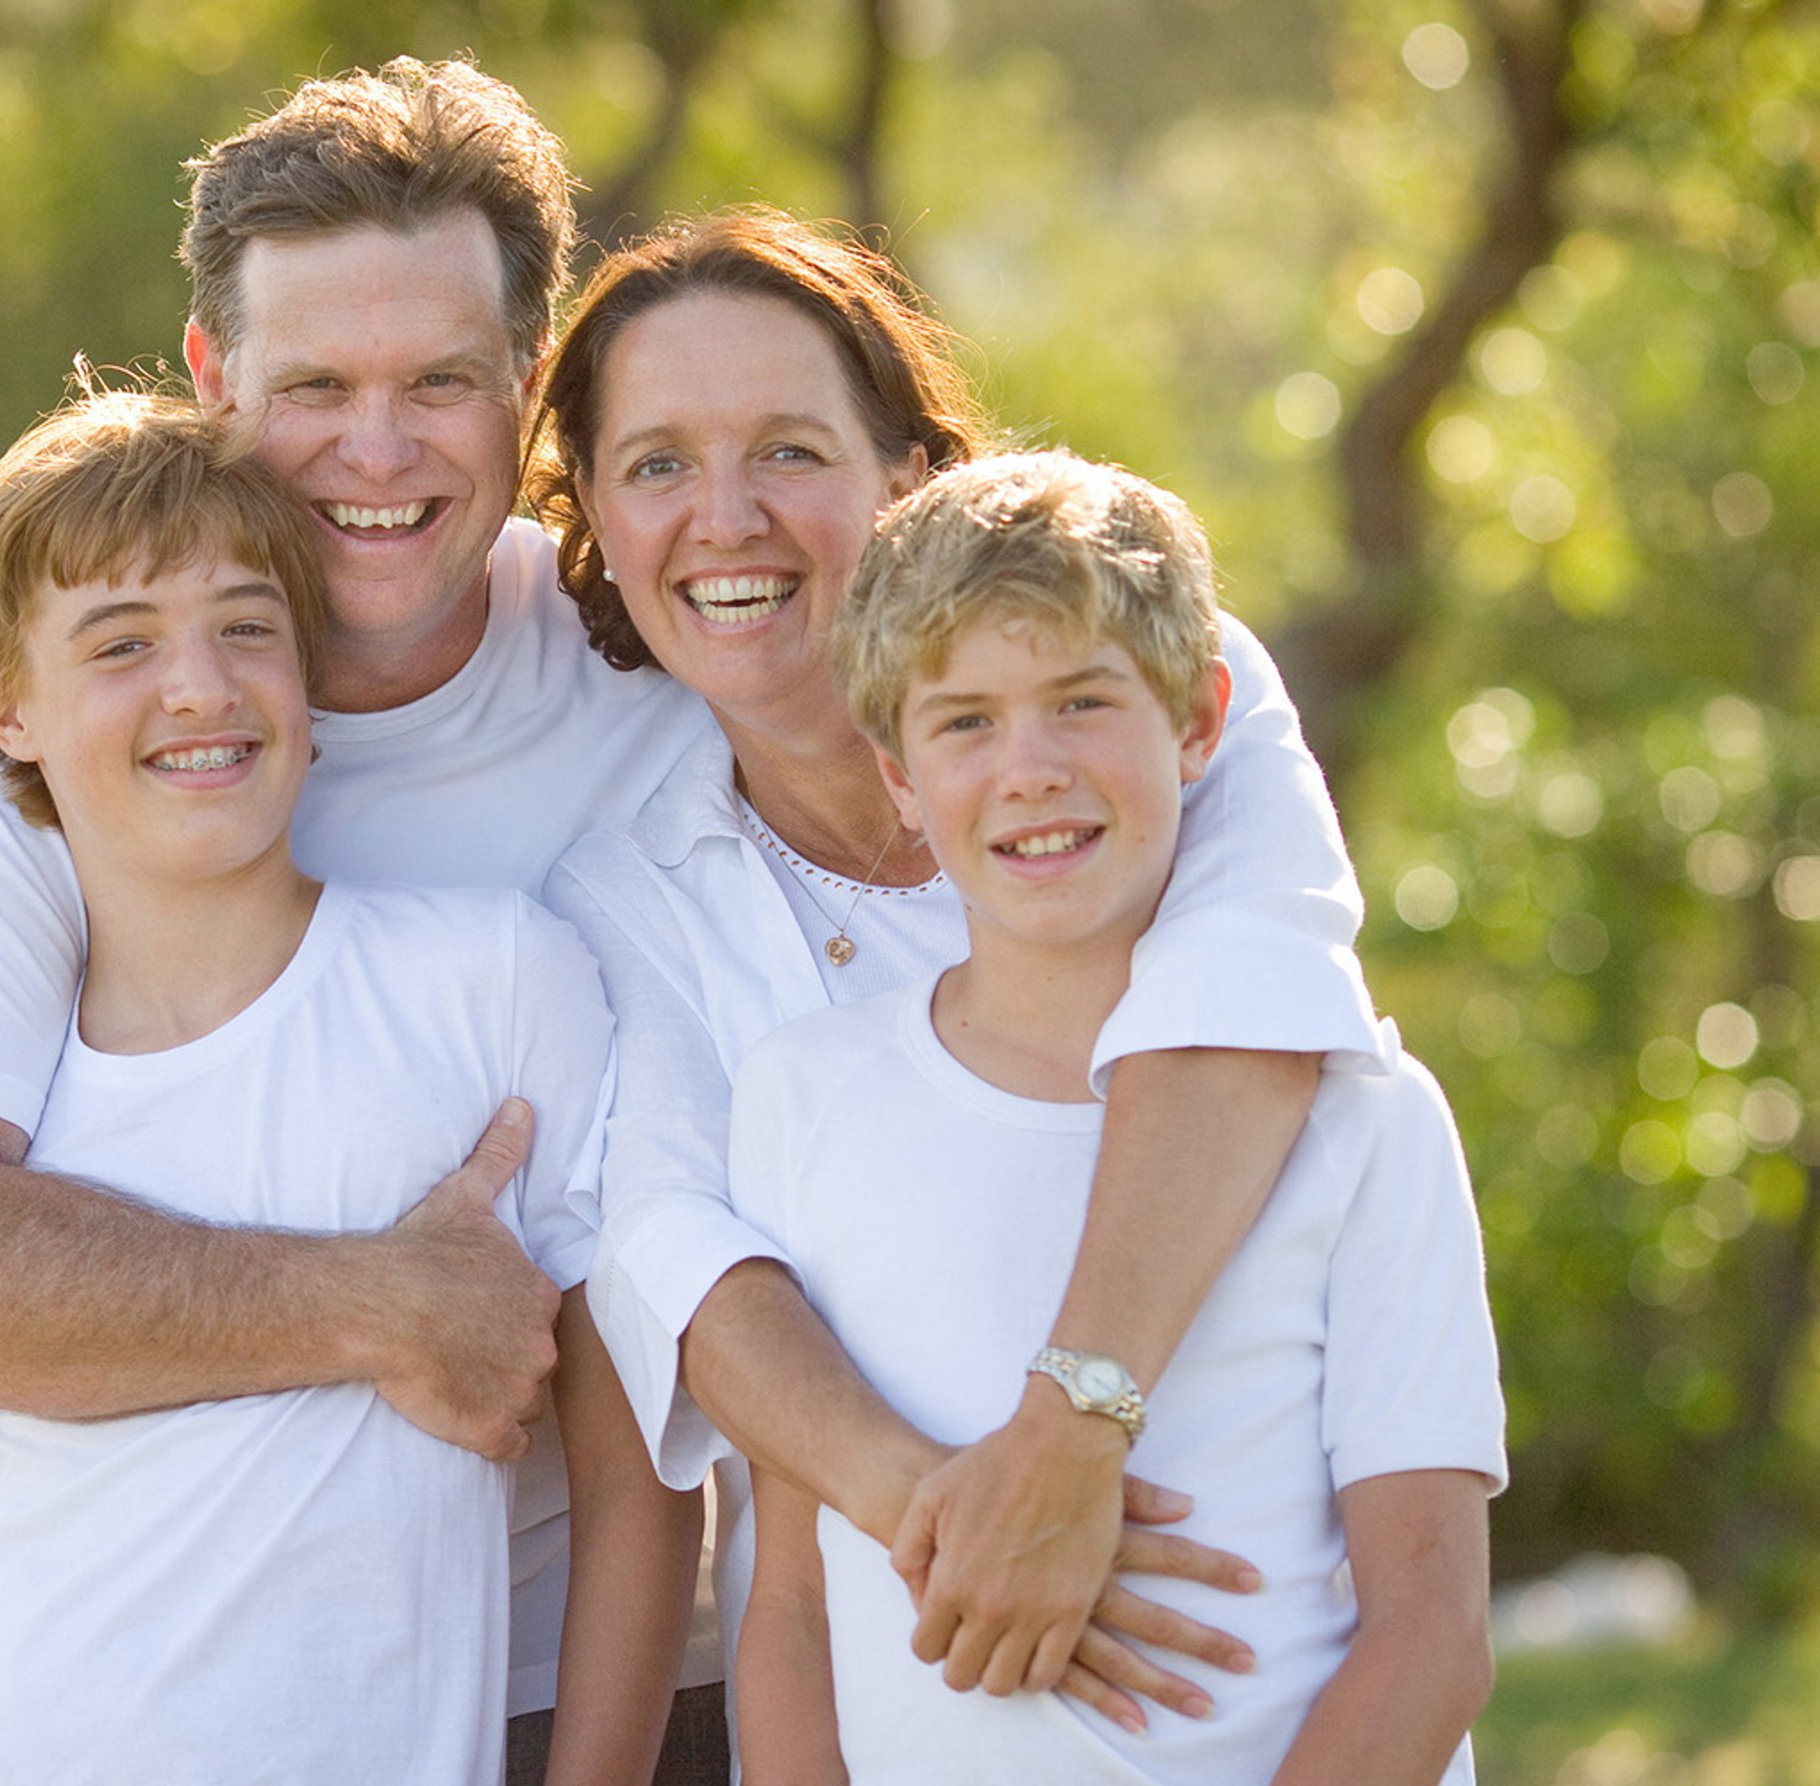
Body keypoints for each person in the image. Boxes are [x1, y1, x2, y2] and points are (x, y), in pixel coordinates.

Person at [0, 59, 728, 1783]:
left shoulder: (667, 687)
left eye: (442, 380)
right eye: (316, 386)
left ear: (530, 387)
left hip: (624, 1680)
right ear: (214, 375)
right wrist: (382, 1302)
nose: (377, 451)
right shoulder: (33, 788)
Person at [531, 209, 1393, 1726]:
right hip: (889, 1669)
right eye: (659, 464)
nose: (724, 517)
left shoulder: (1170, 699)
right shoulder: (625, 880)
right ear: (596, 514)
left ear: (911, 478)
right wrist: (963, 1521)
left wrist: (1069, 1439)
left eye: (791, 450)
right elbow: (678, 1253)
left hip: (1249, 1638)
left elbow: (1251, 1015)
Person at [730, 450, 1504, 1784]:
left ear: (1201, 720)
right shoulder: (804, 1094)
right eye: (964, 721)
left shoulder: (1362, 1117)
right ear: (898, 775)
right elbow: (795, 1605)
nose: (1029, 769)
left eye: (1082, 701)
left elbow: (1432, 1632)